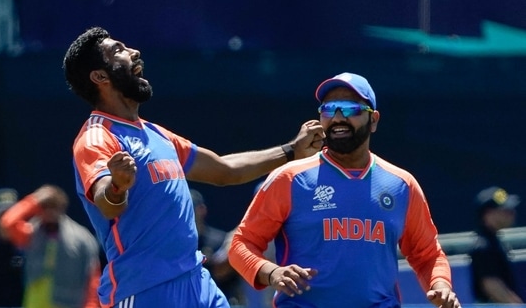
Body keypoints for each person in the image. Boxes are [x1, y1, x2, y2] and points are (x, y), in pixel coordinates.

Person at [62, 26, 324, 308]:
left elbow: (225, 170)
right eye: (118, 51)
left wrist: (290, 151)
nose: (133, 52)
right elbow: (106, 203)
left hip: (197, 284)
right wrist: (117, 186)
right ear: (100, 76)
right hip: (144, 291)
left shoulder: (157, 135)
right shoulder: (96, 137)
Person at [228, 72, 462, 308]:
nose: (338, 117)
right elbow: (241, 244)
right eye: (329, 109)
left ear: (374, 120)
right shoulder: (289, 178)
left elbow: (427, 254)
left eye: (350, 109)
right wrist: (271, 273)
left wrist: (441, 286)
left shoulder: (402, 184)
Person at [0, 184, 101, 308]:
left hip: (69, 304)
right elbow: (8, 223)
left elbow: (92, 278)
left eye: (53, 207)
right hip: (35, 302)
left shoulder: (82, 238)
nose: (49, 212)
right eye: (44, 207)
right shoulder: (32, 232)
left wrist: (91, 306)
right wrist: (34, 200)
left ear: (61, 208)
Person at [469, 186, 524, 303]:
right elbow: (491, 284)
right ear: (488, 214)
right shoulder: (483, 247)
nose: (511, 213)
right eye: (505, 210)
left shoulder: (494, 242)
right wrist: (515, 305)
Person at [191, 188, 244, 305]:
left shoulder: (220, 240)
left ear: (201, 210)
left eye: (190, 209)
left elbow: (221, 271)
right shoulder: (178, 244)